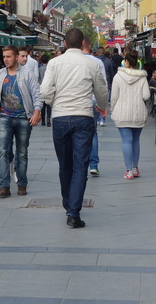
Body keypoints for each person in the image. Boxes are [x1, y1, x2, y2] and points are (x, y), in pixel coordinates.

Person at [40, 28, 108, 228]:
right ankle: (73, 212)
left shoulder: (54, 63)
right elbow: (102, 91)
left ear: (66, 43)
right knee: (80, 165)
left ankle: (67, 202)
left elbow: (44, 91)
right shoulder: (92, 63)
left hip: (60, 118)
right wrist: (102, 107)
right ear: (82, 43)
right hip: (83, 117)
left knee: (65, 165)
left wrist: (56, 103)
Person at [0, 45, 42, 197]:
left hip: (23, 118)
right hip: (4, 117)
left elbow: (37, 95)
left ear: (17, 57)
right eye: (4, 56)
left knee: (22, 152)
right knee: (2, 151)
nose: (5, 59)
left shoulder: (27, 74)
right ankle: (4, 186)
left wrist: (36, 113)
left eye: (9, 56)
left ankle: (22, 184)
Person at [110, 51, 150, 180]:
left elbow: (114, 96)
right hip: (139, 113)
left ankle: (128, 171)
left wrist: (112, 109)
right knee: (136, 141)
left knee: (126, 141)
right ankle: (135, 168)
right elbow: (146, 96)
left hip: (122, 113)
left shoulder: (118, 76)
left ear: (126, 62)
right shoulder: (143, 77)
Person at [82, 38, 107, 173]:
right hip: (93, 100)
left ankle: (80, 163)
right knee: (93, 133)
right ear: (90, 46)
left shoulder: (73, 61)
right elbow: (102, 84)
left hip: (79, 101)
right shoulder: (98, 62)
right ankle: (93, 165)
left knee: (78, 134)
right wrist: (102, 105)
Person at [39, 53, 52, 127]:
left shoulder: (39, 69)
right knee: (49, 106)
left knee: (42, 106)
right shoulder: (49, 68)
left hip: (41, 88)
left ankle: (43, 121)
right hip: (49, 88)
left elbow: (38, 79)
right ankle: (48, 120)